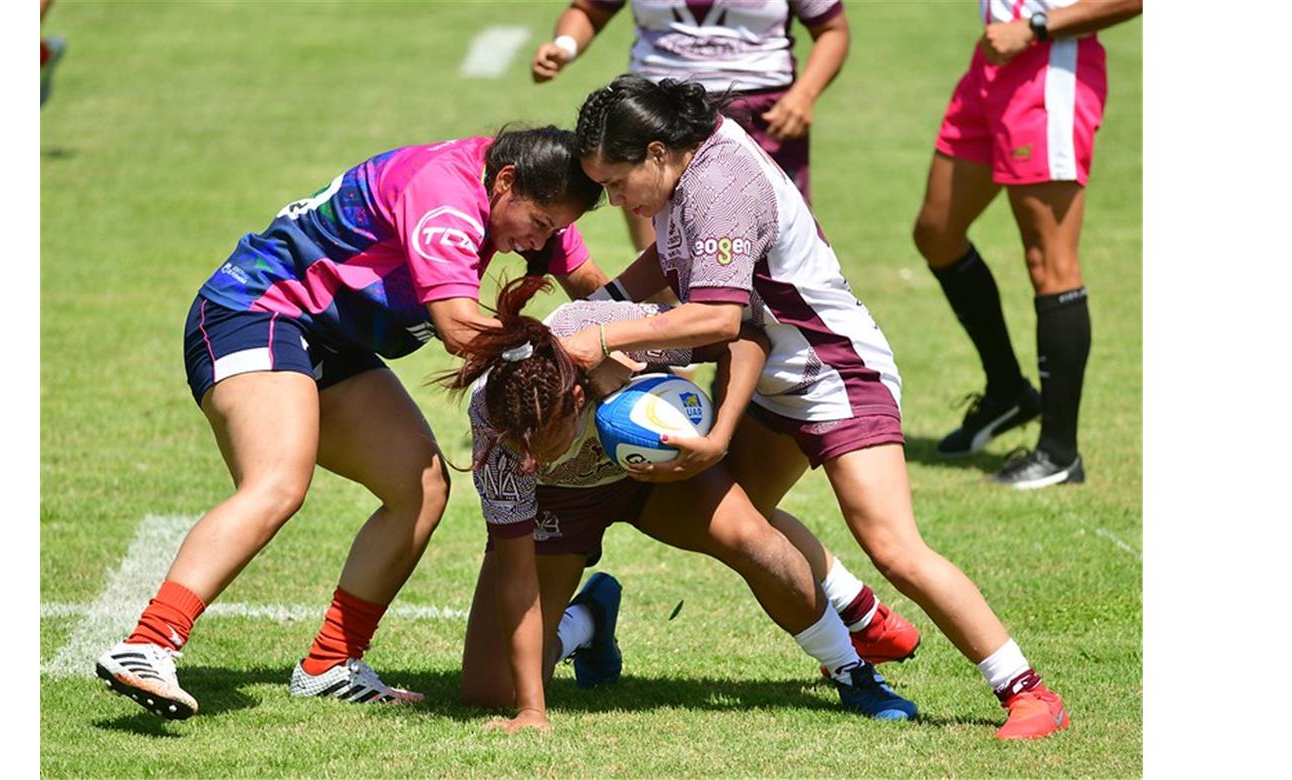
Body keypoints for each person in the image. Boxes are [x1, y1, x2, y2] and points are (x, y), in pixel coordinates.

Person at [565, 75, 1069, 740]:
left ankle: (1028, 692)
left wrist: (600, 333)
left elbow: (716, 318)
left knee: (894, 545)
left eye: (614, 182)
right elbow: (674, 253)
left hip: (834, 374)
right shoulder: (686, 167)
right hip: (770, 374)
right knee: (739, 517)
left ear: (657, 153)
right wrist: (603, 304)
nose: (612, 198)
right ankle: (862, 617)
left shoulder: (720, 184)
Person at [93, 127, 611, 721]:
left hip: (327, 339)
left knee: (418, 488)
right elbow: (460, 329)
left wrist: (655, 339)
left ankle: (330, 664)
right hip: (255, 310)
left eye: (551, 230)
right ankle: (149, 644)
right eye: (539, 223)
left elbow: (596, 290)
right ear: (505, 182)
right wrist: (558, 365)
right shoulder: (443, 194)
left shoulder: (531, 194)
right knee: (277, 483)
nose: (537, 241)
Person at [443, 275, 916, 733]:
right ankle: (587, 620)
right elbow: (518, 580)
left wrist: (717, 439)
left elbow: (743, 341)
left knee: (754, 540)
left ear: (577, 395)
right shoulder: (495, 422)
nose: (524, 461)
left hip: (661, 476)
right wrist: (530, 711)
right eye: (516, 447)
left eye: (539, 444)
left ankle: (850, 670)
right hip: (560, 502)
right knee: (493, 688)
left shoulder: (607, 330)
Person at [911, 0, 1143, 488]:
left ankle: (1060, 452)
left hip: (1049, 66)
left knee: (1050, 261)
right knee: (936, 232)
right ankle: (1007, 392)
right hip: (992, 66)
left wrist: (1037, 27)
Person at [530, 0, 850, 251]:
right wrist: (565, 45)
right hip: (655, 117)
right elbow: (588, 10)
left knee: (774, 255)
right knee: (665, 264)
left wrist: (804, 95)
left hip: (764, 115)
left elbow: (832, 29)